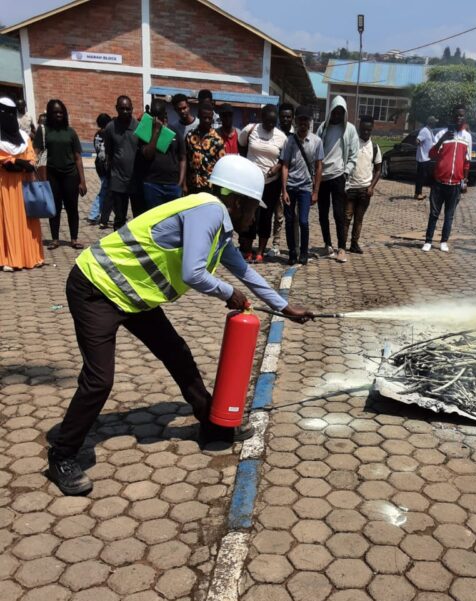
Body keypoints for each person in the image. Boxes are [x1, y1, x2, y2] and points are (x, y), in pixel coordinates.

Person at [46, 155, 313, 496]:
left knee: (177, 354)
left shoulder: (218, 229)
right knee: (99, 380)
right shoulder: (208, 211)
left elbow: (246, 273)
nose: (254, 216)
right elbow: (193, 273)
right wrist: (228, 293)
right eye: (252, 207)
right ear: (236, 201)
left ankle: (212, 424)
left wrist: (285, 308)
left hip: (133, 296)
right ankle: (62, 454)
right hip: (96, 287)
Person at [34, 99, 87, 250]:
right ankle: (55, 239)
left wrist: (82, 181)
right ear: (50, 114)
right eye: (55, 112)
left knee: (72, 208)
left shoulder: (71, 132)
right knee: (55, 208)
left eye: (61, 112)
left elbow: (78, 157)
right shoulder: (44, 131)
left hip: (70, 175)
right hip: (52, 175)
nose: (58, 115)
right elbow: (36, 152)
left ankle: (74, 239)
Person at [0, 97, 44, 272]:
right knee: (7, 221)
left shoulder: (25, 137)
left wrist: (20, 164)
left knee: (26, 221)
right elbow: (6, 163)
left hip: (23, 186)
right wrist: (16, 163)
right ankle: (8, 258)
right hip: (4, 187)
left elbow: (31, 160)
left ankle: (30, 256)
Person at [238, 104, 287, 264]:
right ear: (261, 118)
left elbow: (285, 159)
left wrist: (277, 167)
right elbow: (241, 145)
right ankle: (247, 249)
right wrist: (248, 164)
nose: (270, 124)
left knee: (266, 217)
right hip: (251, 182)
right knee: (250, 214)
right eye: (267, 121)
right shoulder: (250, 130)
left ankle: (260, 252)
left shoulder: (281, 137)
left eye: (273, 122)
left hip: (271, 183)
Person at [316, 95, 359, 263]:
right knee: (322, 213)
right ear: (331, 112)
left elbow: (354, 155)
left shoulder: (350, 129)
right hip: (322, 177)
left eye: (341, 112)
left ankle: (341, 248)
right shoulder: (322, 128)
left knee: (338, 214)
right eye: (335, 112)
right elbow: (315, 150)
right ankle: (327, 244)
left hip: (338, 176)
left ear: (345, 113)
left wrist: (346, 172)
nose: (337, 115)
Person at [422, 107, 471, 253]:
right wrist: (442, 140)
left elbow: (467, 161)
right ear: (452, 116)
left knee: (449, 216)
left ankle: (444, 241)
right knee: (434, 214)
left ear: (465, 117)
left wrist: (465, 181)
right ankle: (428, 241)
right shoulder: (441, 134)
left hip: (455, 185)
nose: (459, 118)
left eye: (461, 116)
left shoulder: (467, 137)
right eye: (457, 115)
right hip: (439, 183)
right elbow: (431, 154)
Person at [280, 105, 323, 266]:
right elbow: (285, 166)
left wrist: (316, 191)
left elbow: (319, 167)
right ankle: (292, 252)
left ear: (310, 122)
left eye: (306, 120)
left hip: (306, 187)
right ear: (296, 121)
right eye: (300, 120)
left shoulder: (316, 141)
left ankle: (304, 252)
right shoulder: (289, 141)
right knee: (289, 221)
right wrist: (284, 190)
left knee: (304, 221)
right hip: (291, 186)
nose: (303, 123)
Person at [104, 95, 145, 230]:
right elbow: (109, 153)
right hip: (118, 180)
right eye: (122, 109)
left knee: (139, 217)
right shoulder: (110, 128)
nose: (125, 111)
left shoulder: (139, 127)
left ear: (132, 109)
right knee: (119, 218)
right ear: (117, 108)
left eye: (128, 109)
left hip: (136, 180)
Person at [343, 115, 382, 255]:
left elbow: (378, 170)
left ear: (372, 129)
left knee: (358, 219)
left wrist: (371, 187)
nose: (366, 132)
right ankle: (342, 245)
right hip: (350, 188)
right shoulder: (352, 144)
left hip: (365, 190)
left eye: (368, 130)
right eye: (363, 129)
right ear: (359, 128)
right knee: (346, 218)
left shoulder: (375, 147)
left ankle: (354, 244)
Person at [140, 99, 185, 209]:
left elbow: (182, 158)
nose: (156, 119)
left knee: (173, 216)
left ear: (164, 114)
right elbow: (148, 154)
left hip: (173, 184)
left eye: (158, 115)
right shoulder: (145, 131)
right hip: (152, 184)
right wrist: (156, 131)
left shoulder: (174, 131)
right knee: (155, 216)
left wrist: (181, 182)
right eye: (154, 115)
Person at [271, 102, 295, 256]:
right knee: (277, 214)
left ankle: (294, 245)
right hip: (275, 179)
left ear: (292, 118)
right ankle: (275, 244)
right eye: (283, 117)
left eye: (288, 117)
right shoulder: (274, 133)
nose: (285, 119)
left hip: (292, 180)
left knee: (292, 216)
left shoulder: (296, 135)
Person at [185, 101, 225, 193]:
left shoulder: (217, 140)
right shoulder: (190, 135)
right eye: (204, 117)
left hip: (209, 187)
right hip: (192, 185)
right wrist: (184, 184)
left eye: (209, 118)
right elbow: (185, 159)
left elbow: (221, 166)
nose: (207, 120)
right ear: (199, 116)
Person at [88, 113, 113, 228]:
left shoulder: (97, 134)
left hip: (99, 164)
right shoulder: (107, 134)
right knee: (104, 190)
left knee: (108, 190)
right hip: (105, 166)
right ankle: (93, 214)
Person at [415, 115, 438, 200]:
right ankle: (418, 194)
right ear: (431, 123)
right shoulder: (424, 131)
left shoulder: (430, 131)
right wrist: (419, 144)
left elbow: (433, 142)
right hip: (422, 158)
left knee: (425, 176)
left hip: (427, 157)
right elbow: (418, 140)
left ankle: (420, 193)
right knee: (421, 176)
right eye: (434, 122)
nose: (435, 123)